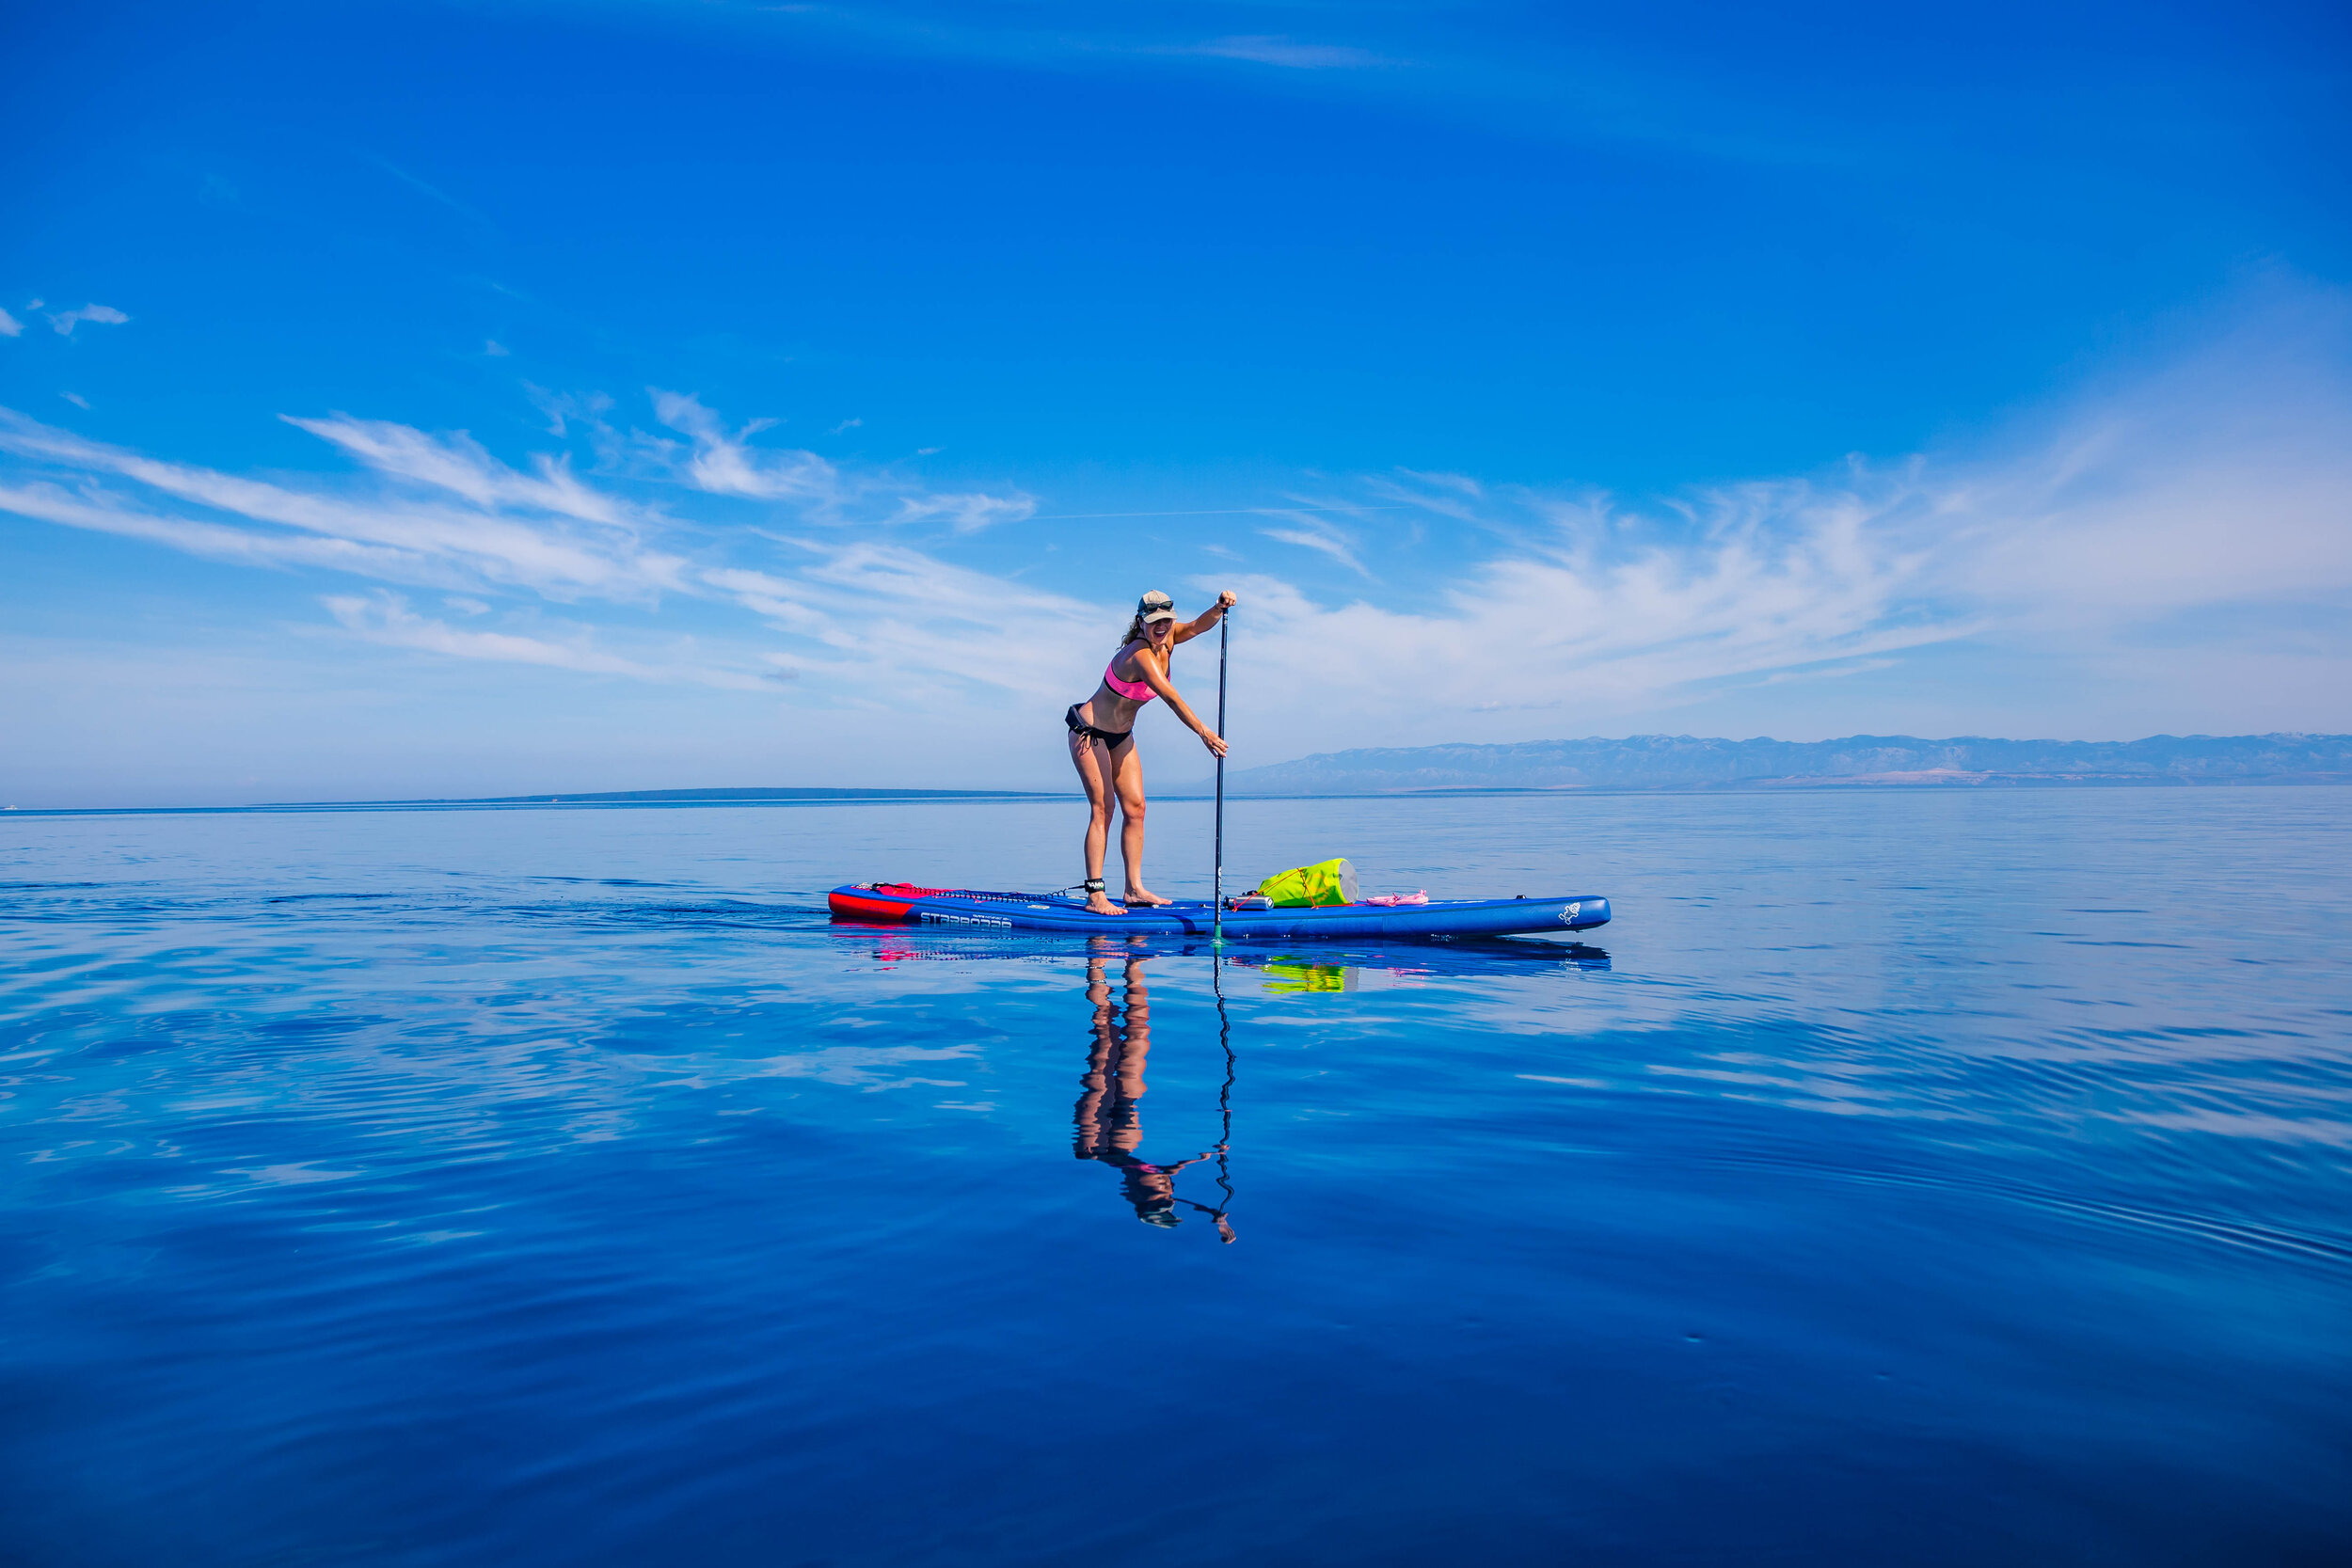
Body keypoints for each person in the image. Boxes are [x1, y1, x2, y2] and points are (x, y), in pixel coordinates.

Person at [1064, 587, 1234, 914]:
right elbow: (1171, 696)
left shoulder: (1169, 638)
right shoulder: (1140, 655)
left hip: (1122, 735)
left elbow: (1199, 626)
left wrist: (1218, 607)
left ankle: (1134, 889)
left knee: (1137, 808)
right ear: (1140, 622)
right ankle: (1095, 895)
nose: (1162, 627)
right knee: (1104, 808)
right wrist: (1204, 732)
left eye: (1167, 620)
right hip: (1089, 732)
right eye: (1154, 621)